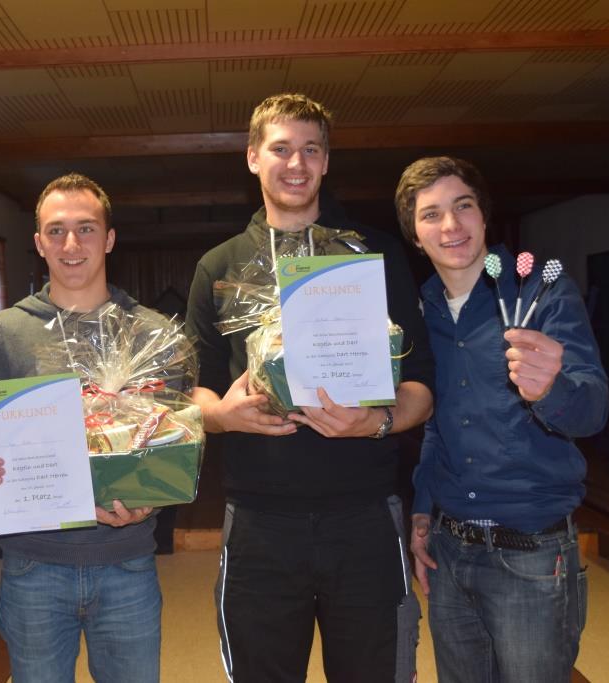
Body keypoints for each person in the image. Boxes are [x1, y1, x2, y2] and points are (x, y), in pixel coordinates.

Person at [185, 93, 435, 682]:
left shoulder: (374, 253)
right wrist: (223, 415)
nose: (296, 163)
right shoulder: (219, 267)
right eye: (280, 149)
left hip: (365, 513)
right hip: (259, 519)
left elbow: (422, 384)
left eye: (311, 149)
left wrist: (375, 421)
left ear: (326, 161)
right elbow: (191, 392)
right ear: (253, 157)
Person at [394, 156, 608, 682]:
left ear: (484, 215)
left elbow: (594, 409)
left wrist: (551, 389)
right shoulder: (423, 310)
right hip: (448, 549)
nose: (451, 225)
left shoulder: (542, 294)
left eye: (463, 206)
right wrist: (422, 512)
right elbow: (436, 424)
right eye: (431, 214)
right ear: (416, 236)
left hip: (531, 551)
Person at [0, 173, 171, 683]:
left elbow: (175, 437)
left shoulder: (152, 332)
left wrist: (151, 498)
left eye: (86, 228)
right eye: (56, 231)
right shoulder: (3, 333)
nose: (71, 244)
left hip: (127, 561)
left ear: (110, 238)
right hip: (32, 564)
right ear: (38, 242)